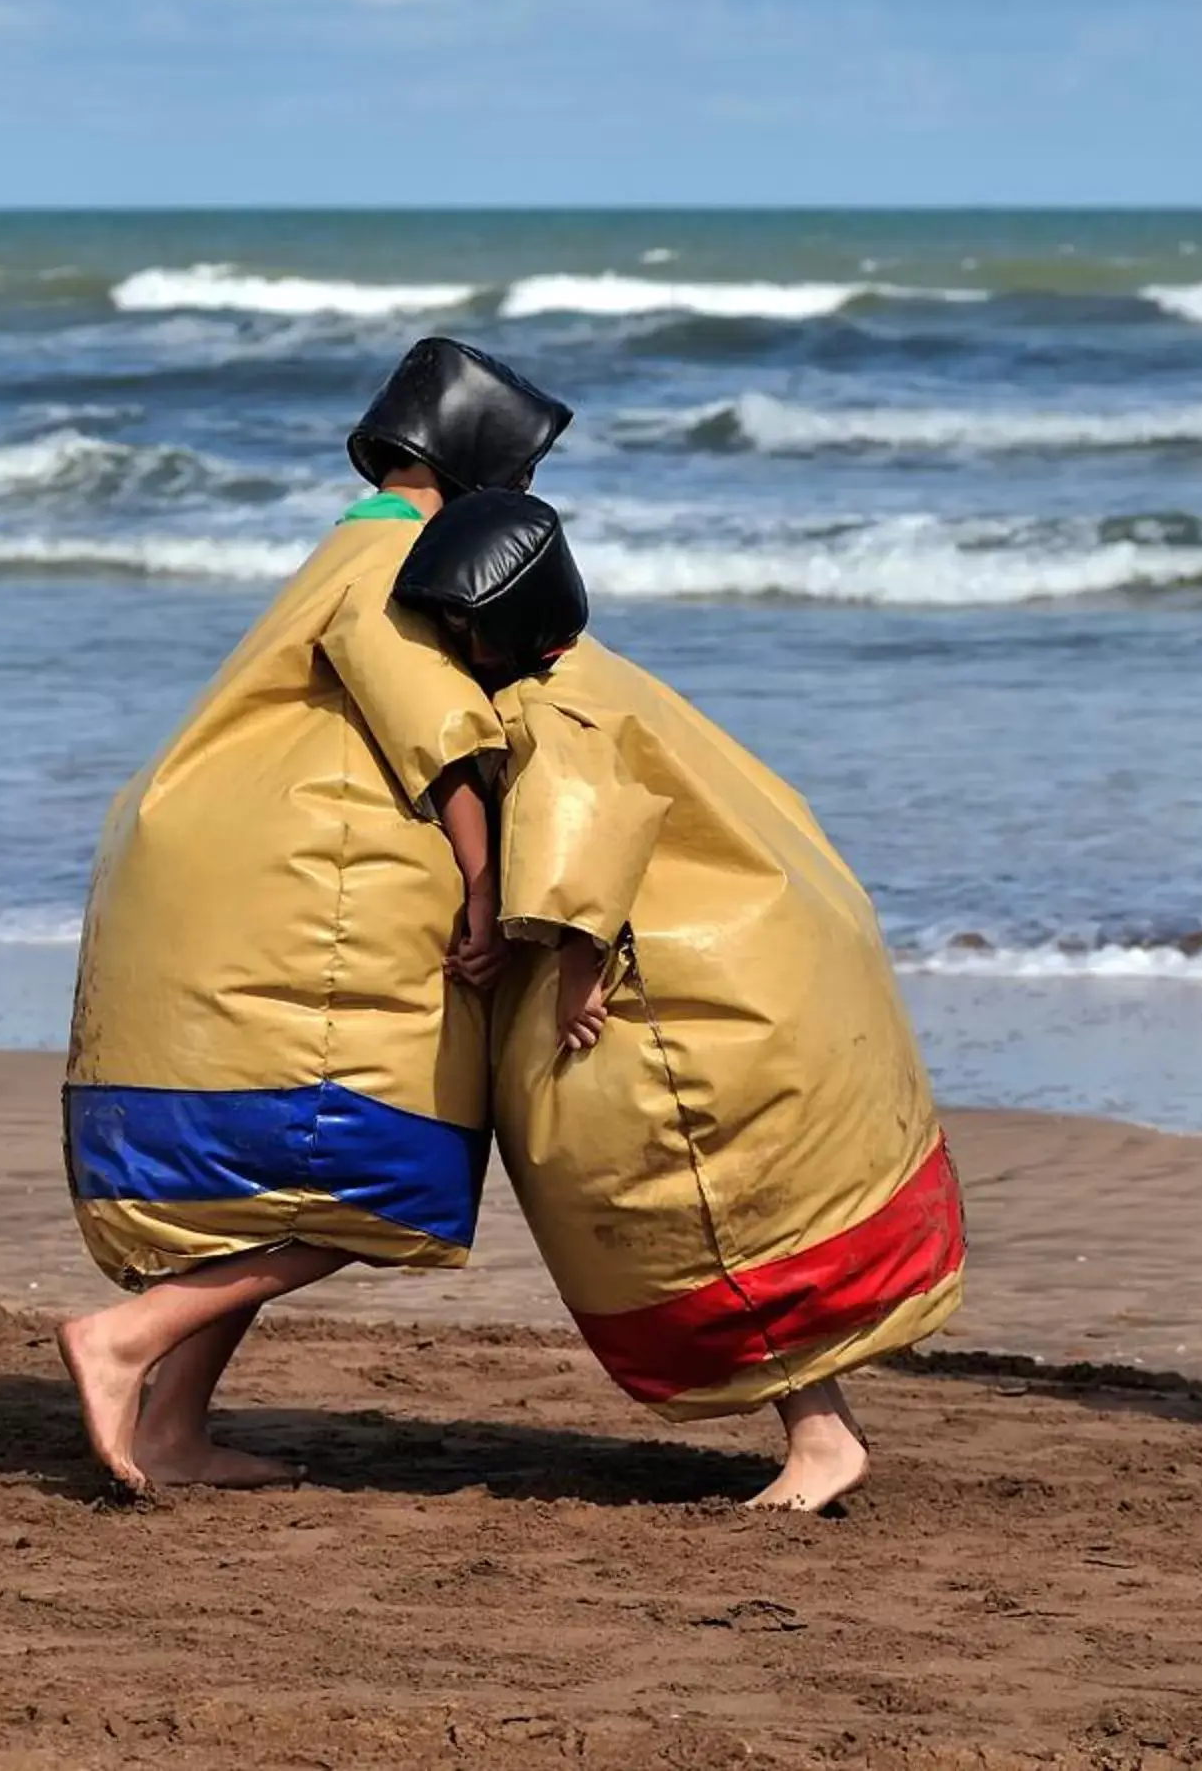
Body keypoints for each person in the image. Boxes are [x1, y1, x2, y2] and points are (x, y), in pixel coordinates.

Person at [56, 337, 572, 1496]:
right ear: (476, 454)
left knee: (261, 1183)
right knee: (378, 1178)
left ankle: (175, 1429)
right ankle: (125, 1341)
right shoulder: (395, 559)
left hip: (234, 866)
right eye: (522, 469)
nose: (530, 496)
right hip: (303, 886)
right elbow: (435, 729)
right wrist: (487, 889)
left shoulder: (351, 541)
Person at [394, 492, 966, 1512]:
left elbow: (581, 849)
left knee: (715, 1217)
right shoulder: (605, 675)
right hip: (779, 948)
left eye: (462, 631)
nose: (454, 651)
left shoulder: (550, 709)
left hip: (687, 990)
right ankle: (827, 1428)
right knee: (759, 1217)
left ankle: (825, 1442)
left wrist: (572, 984)